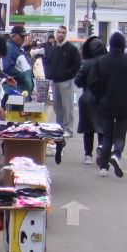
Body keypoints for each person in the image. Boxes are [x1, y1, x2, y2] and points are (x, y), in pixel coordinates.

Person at [88, 32, 127, 178]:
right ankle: (117, 155)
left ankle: (103, 167)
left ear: (110, 45)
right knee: (120, 135)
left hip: (105, 103)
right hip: (124, 103)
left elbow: (93, 82)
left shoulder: (101, 61)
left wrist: (100, 96)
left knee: (107, 135)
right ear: (123, 45)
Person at [44, 25, 82, 156]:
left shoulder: (71, 49)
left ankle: (68, 128)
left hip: (66, 81)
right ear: (56, 34)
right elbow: (48, 61)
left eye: (63, 32)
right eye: (59, 32)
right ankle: (59, 127)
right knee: (57, 106)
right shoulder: (54, 48)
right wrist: (49, 73)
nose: (61, 34)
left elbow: (77, 64)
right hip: (55, 80)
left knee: (67, 105)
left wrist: (68, 74)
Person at [74, 36, 107, 165]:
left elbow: (78, 81)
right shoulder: (106, 62)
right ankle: (101, 148)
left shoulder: (86, 63)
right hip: (103, 98)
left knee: (88, 129)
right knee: (102, 128)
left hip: (87, 98)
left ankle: (88, 154)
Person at [3, 25, 34, 95]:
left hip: (21, 90)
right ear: (13, 36)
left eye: (25, 36)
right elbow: (7, 68)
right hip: (14, 90)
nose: (24, 39)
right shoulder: (9, 48)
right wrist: (24, 77)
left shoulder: (18, 49)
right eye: (22, 36)